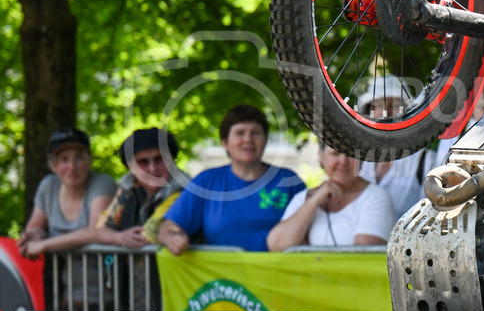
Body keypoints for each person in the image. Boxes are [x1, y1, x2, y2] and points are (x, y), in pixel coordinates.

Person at [157, 104, 304, 254]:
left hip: (280, 275)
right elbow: (168, 227)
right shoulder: (207, 181)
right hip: (221, 276)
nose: (248, 139)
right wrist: (173, 238)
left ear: (265, 140)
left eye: (255, 133)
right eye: (240, 133)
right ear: (225, 142)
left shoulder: (288, 180)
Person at [18, 128, 137, 256]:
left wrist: (44, 245)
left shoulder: (102, 183)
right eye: (64, 159)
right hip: (64, 274)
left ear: (90, 160)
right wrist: (34, 236)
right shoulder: (48, 186)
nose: (72, 167)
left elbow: (96, 232)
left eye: (79, 158)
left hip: (106, 270)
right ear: (53, 165)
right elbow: (36, 226)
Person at [267, 144, 395, 250]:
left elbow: (362, 255)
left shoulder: (376, 197)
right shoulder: (304, 198)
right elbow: (276, 245)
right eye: (335, 154)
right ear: (321, 156)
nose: (343, 161)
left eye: (351, 154)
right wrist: (313, 202)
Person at [357, 75, 440, 217]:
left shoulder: (425, 161)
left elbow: (432, 215)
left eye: (395, 106)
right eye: (379, 105)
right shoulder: (357, 159)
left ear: (408, 112)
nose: (386, 113)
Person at [99, 127, 187, 242]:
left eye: (160, 159)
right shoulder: (127, 189)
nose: (152, 168)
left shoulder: (186, 190)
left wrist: (114, 238)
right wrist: (118, 237)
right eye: (143, 162)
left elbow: (147, 237)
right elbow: (100, 229)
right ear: (130, 167)